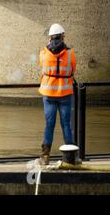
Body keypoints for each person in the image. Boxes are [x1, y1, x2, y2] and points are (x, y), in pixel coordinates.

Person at [38, 23, 77, 165]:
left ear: (50, 38)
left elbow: (42, 67)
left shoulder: (44, 53)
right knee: (66, 124)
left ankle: (45, 156)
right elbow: (73, 69)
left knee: (49, 124)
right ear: (62, 37)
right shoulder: (70, 53)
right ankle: (71, 158)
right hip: (65, 93)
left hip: (48, 94)